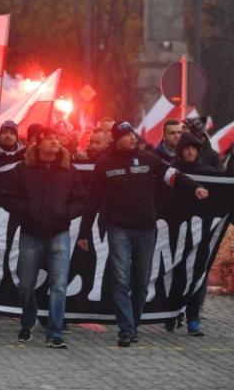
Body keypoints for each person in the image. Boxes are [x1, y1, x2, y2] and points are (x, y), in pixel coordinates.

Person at [78, 121, 209, 347]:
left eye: (133, 134)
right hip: (118, 229)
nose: (132, 138)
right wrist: (84, 232)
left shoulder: (148, 159)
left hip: (146, 229)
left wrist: (194, 186)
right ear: (116, 139)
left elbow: (172, 175)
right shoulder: (104, 164)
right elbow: (93, 200)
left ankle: (133, 324)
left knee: (141, 282)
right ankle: (126, 330)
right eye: (126, 135)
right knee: (120, 280)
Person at [1, 126, 88, 348]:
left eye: (57, 138)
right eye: (49, 139)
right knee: (25, 284)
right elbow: (7, 197)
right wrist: (27, 209)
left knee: (59, 286)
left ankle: (55, 333)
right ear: (38, 143)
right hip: (31, 235)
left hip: (59, 235)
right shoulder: (23, 169)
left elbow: (82, 200)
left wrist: (66, 212)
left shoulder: (69, 170)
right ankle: (28, 321)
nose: (55, 142)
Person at [163, 132, 218, 336]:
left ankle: (193, 318)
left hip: (202, 232)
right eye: (186, 148)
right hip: (175, 231)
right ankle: (172, 313)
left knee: (198, 274)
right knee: (175, 273)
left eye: (194, 148)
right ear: (180, 150)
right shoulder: (172, 171)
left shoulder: (209, 172)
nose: (190, 152)